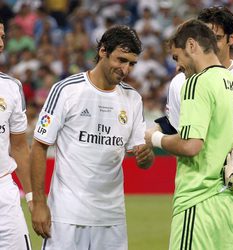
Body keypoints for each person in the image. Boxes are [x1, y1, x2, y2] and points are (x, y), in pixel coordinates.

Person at [30, 25, 154, 250]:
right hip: (66, 216)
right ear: (103, 51)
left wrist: (146, 156)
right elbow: (39, 146)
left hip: (111, 219)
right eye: (121, 60)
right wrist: (38, 203)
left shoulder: (133, 99)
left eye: (131, 63)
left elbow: (142, 158)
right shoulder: (66, 90)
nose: (125, 69)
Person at [145, 19, 233, 249]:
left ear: (191, 45)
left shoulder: (196, 83)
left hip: (200, 204)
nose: (177, 67)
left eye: (177, 57)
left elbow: (190, 145)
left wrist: (153, 138)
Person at [0, 18, 32, 249]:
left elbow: (20, 146)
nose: (1, 44)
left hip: (4, 190)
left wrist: (31, 196)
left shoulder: (12, 87)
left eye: (2, 37)